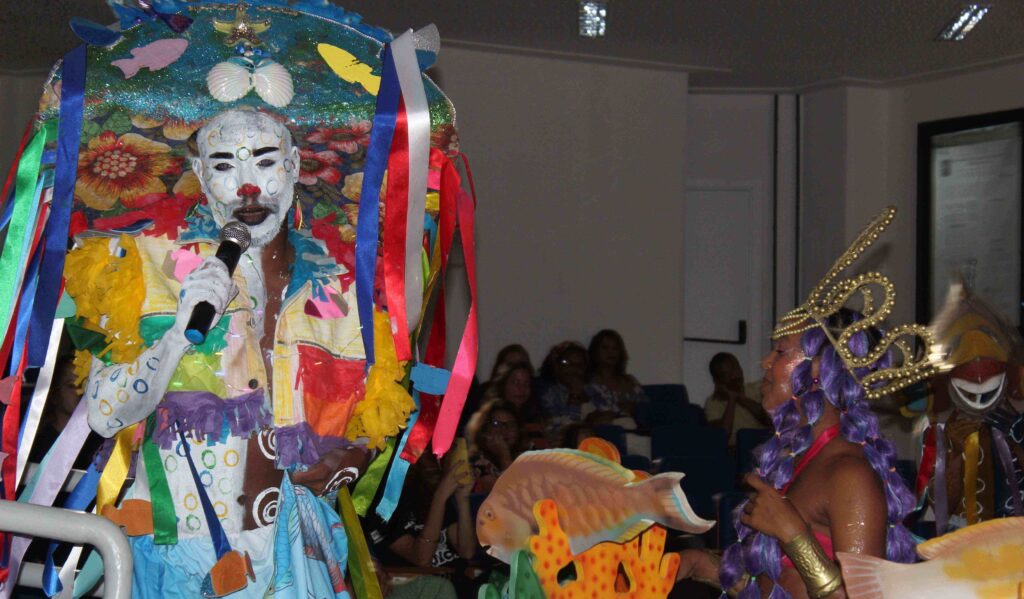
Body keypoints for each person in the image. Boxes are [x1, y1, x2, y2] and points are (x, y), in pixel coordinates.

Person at [75, 109, 369, 597]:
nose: (248, 187)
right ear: (199, 172)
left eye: (265, 161)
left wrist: (352, 456)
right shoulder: (144, 260)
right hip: (181, 554)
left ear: (296, 164)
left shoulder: (341, 285)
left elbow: (371, 414)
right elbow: (105, 414)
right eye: (225, 166)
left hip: (297, 551)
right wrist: (177, 333)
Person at [676, 207, 926, 598]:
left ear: (820, 370)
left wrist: (793, 535)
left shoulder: (849, 475)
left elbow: (861, 597)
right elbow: (778, 586)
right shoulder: (797, 462)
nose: (765, 362)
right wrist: (698, 564)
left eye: (780, 351)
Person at [366, 452, 476, 598]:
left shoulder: (426, 490)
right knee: (442, 588)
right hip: (417, 585)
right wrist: (440, 497)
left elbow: (467, 551)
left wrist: (462, 499)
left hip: (459, 579)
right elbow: (422, 559)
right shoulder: (383, 506)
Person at [538, 342, 608, 439]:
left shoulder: (596, 390)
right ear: (557, 366)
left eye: (579, 365)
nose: (573, 369)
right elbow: (561, 428)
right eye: (566, 363)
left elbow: (610, 414)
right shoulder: (548, 393)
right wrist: (575, 396)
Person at [703, 352, 770, 447]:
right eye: (728, 374)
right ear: (718, 380)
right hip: (734, 452)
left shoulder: (757, 389)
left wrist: (742, 399)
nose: (736, 375)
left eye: (736, 369)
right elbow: (722, 436)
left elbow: (769, 420)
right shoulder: (713, 403)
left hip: (762, 446)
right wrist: (732, 399)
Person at [465, 399, 527, 494]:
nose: (504, 430)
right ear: (485, 429)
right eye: (496, 424)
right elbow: (510, 492)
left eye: (511, 424)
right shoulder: (477, 462)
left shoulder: (525, 457)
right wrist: (504, 455)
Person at [482, 363, 547, 448]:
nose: (522, 389)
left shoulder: (533, 419)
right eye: (516, 383)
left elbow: (543, 450)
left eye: (526, 384)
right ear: (503, 385)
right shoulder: (488, 417)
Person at [586, 329, 647, 416]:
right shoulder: (587, 381)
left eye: (615, 348)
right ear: (595, 351)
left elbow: (645, 410)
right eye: (605, 348)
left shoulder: (629, 381)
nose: (610, 352)